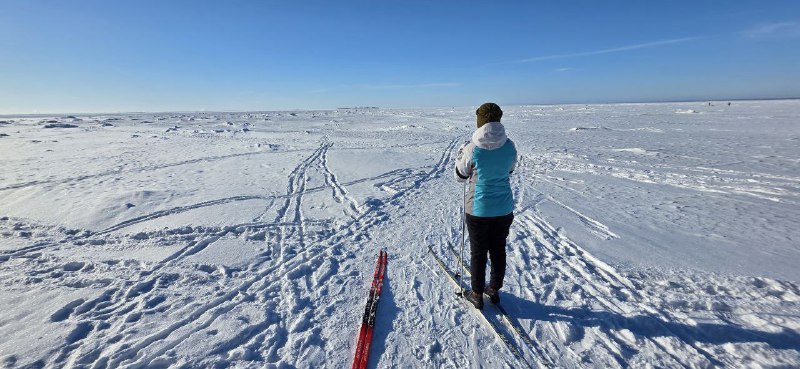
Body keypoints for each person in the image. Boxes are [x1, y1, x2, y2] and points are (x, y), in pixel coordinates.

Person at [453, 102, 517, 310]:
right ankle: (494, 290)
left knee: (478, 252)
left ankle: (477, 293)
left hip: (478, 209)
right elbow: (509, 170)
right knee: (498, 250)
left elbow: (460, 176)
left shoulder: (471, 148)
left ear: (479, 122)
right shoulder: (510, 146)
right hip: (504, 208)